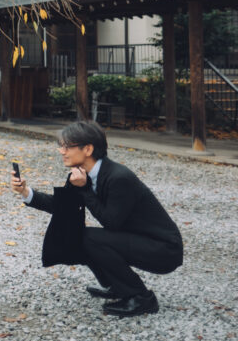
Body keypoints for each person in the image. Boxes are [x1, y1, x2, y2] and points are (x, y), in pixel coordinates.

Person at [12, 120, 183, 317]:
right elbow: (61, 207)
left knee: (88, 237)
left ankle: (141, 298)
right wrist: (25, 191)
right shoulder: (81, 175)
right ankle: (118, 287)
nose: (61, 151)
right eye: (61, 146)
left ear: (88, 149)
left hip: (163, 249)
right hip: (138, 240)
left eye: (67, 146)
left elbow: (111, 222)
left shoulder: (119, 177)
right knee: (79, 235)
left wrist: (84, 189)